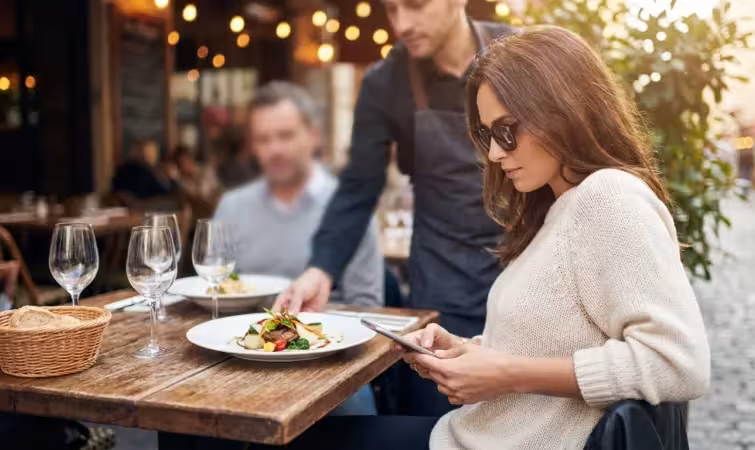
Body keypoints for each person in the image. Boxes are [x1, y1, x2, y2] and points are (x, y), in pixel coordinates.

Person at [184, 26, 709, 450]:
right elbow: (562, 336)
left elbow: (677, 364)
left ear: (563, 107)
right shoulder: (556, 208)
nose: (496, 155)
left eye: (507, 129)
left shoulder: (609, 198)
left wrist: (503, 373)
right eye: (485, 136)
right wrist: (471, 351)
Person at [273, 0, 512, 416]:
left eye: (415, 7)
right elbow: (357, 188)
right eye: (392, 9)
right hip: (442, 285)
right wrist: (321, 268)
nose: (402, 24)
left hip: (522, 274)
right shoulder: (386, 82)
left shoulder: (517, 53)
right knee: (436, 424)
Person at [211, 81, 383, 418]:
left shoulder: (349, 210)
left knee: (355, 416)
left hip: (330, 364)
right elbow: (213, 292)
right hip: (241, 361)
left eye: (286, 135)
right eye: (264, 139)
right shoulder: (232, 208)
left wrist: (305, 338)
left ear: (314, 136)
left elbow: (367, 306)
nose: (275, 149)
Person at [111, 139, 177, 201]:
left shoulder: (123, 169)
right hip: (142, 208)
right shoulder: (139, 170)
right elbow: (163, 193)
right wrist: (172, 180)